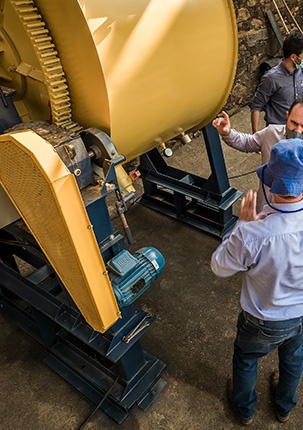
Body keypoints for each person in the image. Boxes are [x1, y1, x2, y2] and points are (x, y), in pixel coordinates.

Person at [211, 138, 303, 426]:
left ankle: (244, 410)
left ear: (270, 185)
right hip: (299, 313)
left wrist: (242, 225)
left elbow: (220, 267)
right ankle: (284, 406)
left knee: (246, 359)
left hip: (262, 317)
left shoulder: (254, 233)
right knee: (293, 361)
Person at [212, 99, 303, 212]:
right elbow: (247, 143)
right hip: (264, 208)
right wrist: (228, 133)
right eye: (294, 123)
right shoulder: (271, 132)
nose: (298, 131)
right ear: (287, 116)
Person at [250, 32, 303, 133]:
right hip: (278, 132)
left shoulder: (300, 72)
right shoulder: (271, 78)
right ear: (294, 57)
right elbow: (256, 106)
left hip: (298, 131)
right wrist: (256, 139)